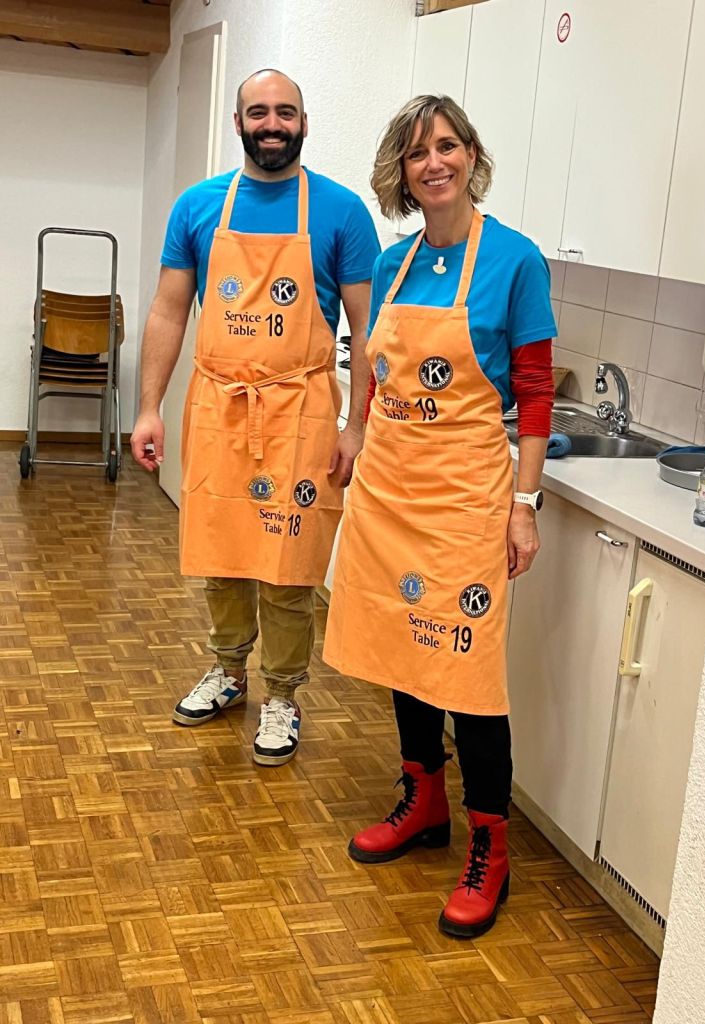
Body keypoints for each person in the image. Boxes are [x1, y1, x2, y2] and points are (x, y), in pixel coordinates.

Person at [323, 95, 556, 938]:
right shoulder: (392, 265)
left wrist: (523, 506)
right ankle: (422, 801)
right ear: (402, 170)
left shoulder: (516, 261)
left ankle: (490, 844)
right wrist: (354, 433)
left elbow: (535, 393)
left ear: (471, 157)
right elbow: (374, 373)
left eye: (448, 146)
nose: (435, 163)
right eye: (418, 152)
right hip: (389, 492)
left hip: (464, 500)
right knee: (402, 646)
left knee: (466, 673)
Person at [131, 69, 379, 766]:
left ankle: (284, 695)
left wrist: (356, 427)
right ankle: (228, 670)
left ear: (304, 122)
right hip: (220, 405)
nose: (273, 124)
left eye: (286, 113)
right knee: (224, 550)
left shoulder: (341, 212)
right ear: (238, 122)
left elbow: (368, 332)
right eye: (259, 112)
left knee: (288, 565)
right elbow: (168, 311)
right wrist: (148, 408)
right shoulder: (198, 207)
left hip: (301, 411)